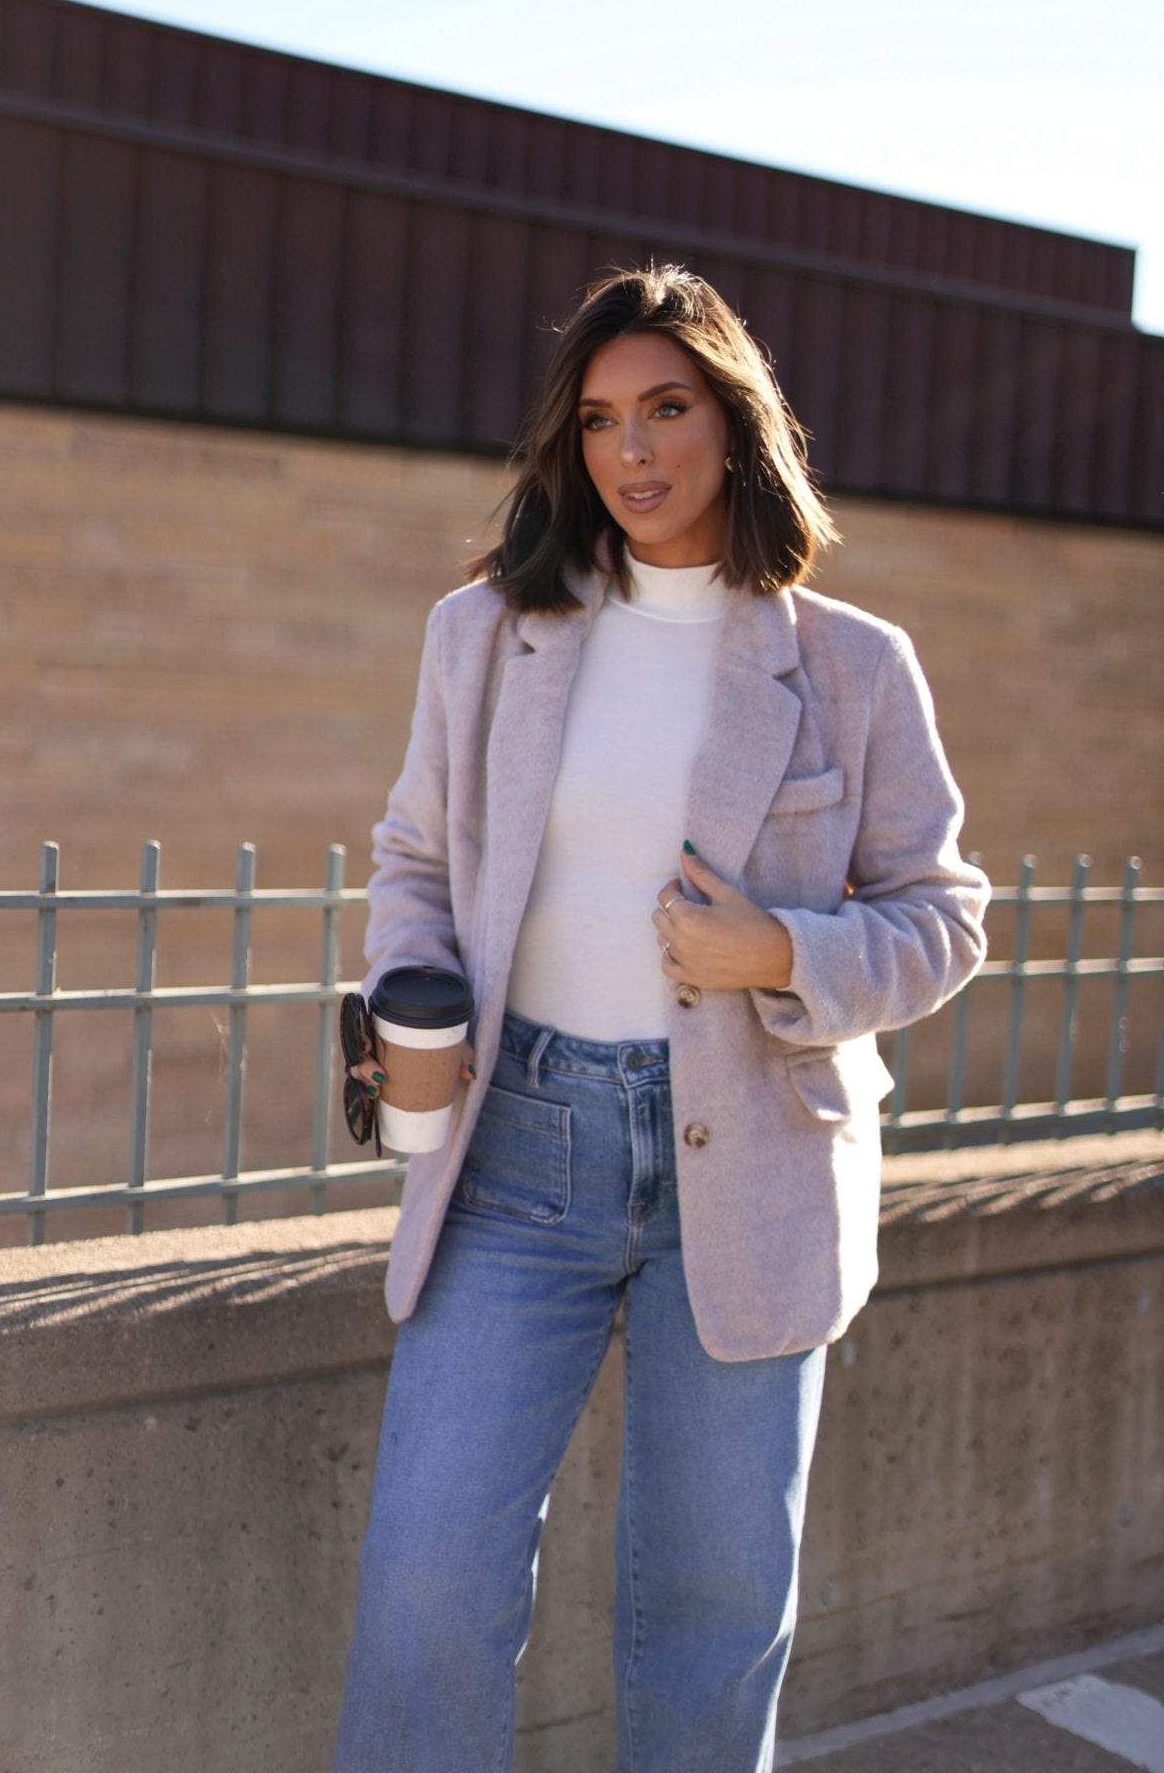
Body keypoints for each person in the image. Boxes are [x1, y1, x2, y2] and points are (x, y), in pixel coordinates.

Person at [332, 264, 989, 1773]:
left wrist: (780, 951)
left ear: (733, 425)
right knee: (428, 1578)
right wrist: (415, 995)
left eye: (667, 410)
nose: (633, 452)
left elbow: (944, 915)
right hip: (517, 1152)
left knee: (711, 1613)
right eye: (601, 419)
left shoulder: (854, 667)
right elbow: (416, 859)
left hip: (750, 1166)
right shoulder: (485, 635)